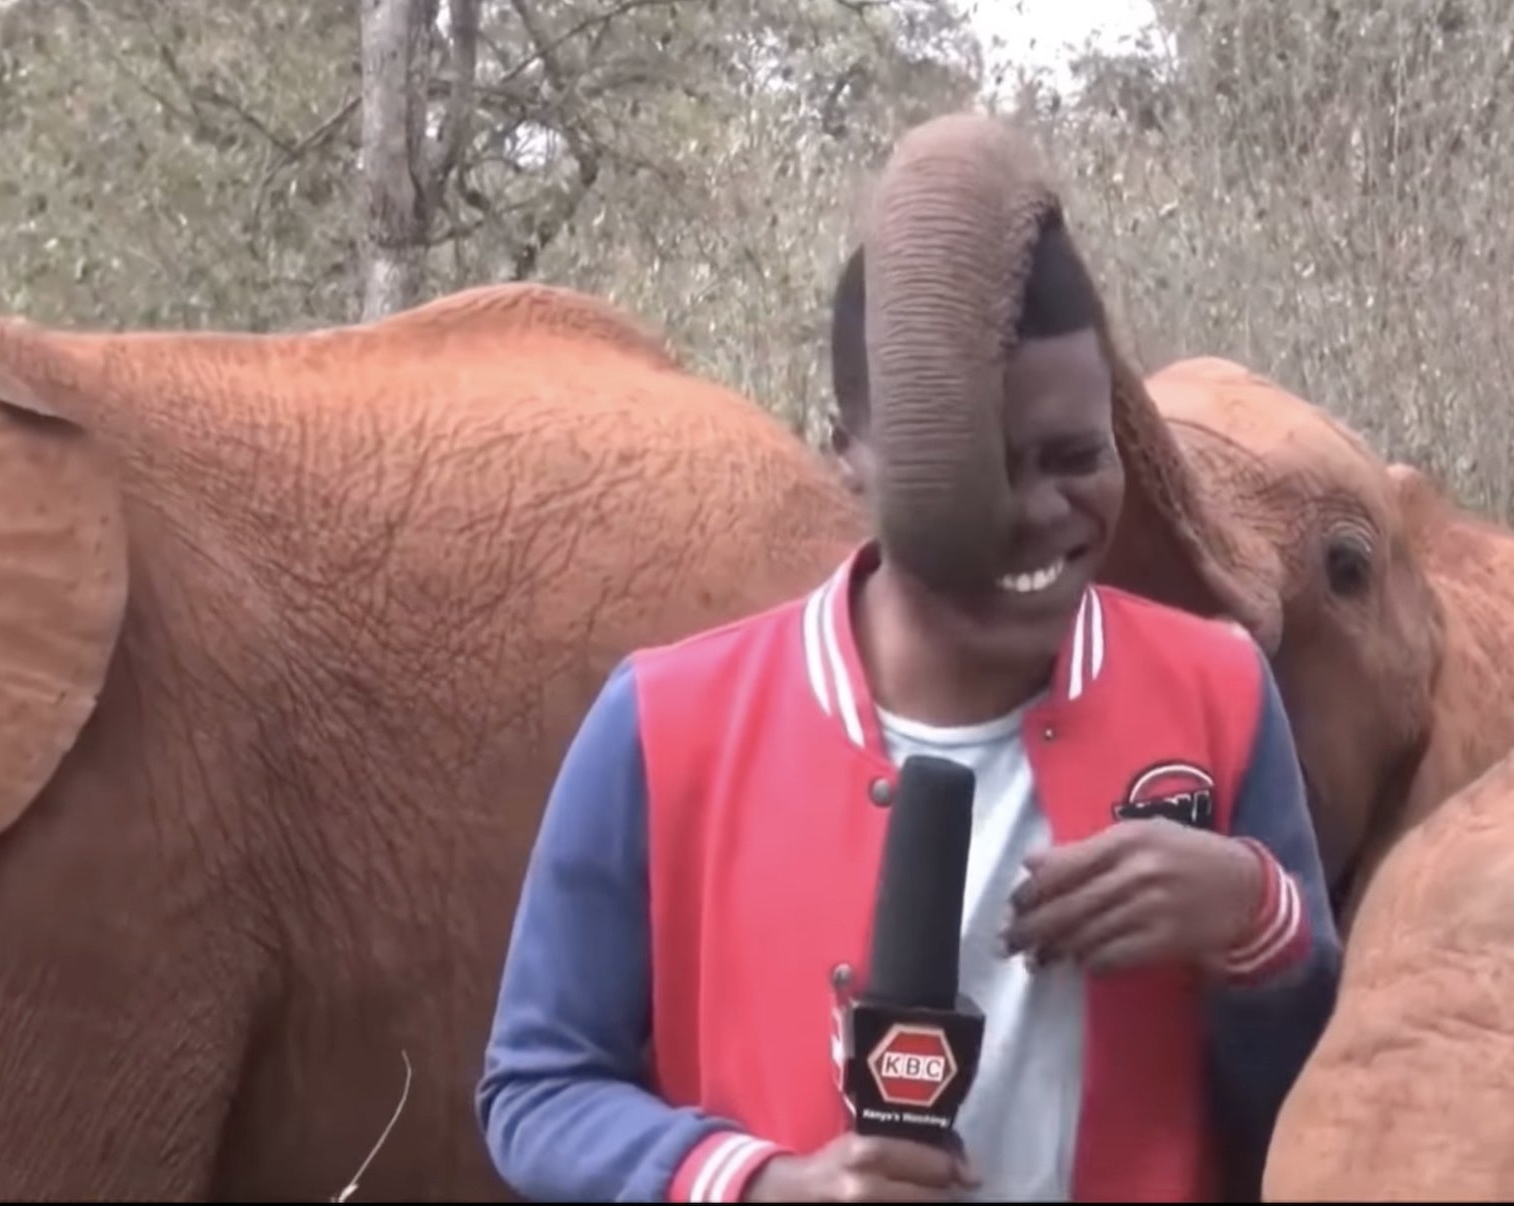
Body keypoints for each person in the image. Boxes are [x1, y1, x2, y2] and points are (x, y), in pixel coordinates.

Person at [476, 142, 1340, 1204]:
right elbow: (536, 1087)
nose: (1035, 513)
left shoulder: (1217, 693)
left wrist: (1258, 919)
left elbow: (1317, 1104)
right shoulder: (667, 725)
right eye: (985, 467)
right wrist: (764, 1185)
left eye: (1076, 458)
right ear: (847, 449)